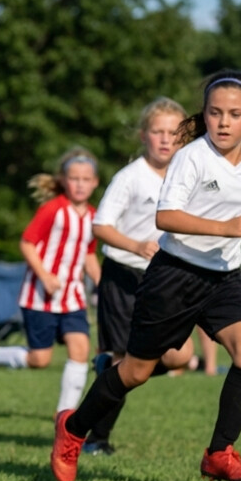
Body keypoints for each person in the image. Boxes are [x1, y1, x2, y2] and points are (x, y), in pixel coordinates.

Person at [52, 69, 241, 481]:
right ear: (204, 115)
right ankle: (74, 428)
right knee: (134, 372)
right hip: (174, 276)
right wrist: (226, 227)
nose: (224, 122)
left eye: (235, 114)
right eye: (215, 113)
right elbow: (165, 217)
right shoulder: (191, 157)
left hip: (222, 280)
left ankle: (219, 453)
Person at [84, 97, 204, 454]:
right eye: (157, 132)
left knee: (181, 357)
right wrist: (136, 246)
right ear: (143, 135)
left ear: (184, 136)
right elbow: (100, 226)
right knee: (125, 360)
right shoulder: (130, 177)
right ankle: (97, 439)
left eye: (173, 132)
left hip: (165, 280)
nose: (166, 139)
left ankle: (108, 373)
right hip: (124, 277)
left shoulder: (190, 175)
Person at [0, 148, 101, 417]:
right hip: (39, 297)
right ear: (63, 180)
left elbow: (88, 254)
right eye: (74, 178)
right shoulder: (52, 210)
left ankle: (64, 415)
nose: (80, 184)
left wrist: (102, 284)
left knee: (80, 349)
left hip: (72, 297)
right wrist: (45, 276)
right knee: (40, 359)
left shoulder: (94, 217)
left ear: (95, 182)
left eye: (86, 179)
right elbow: (27, 243)